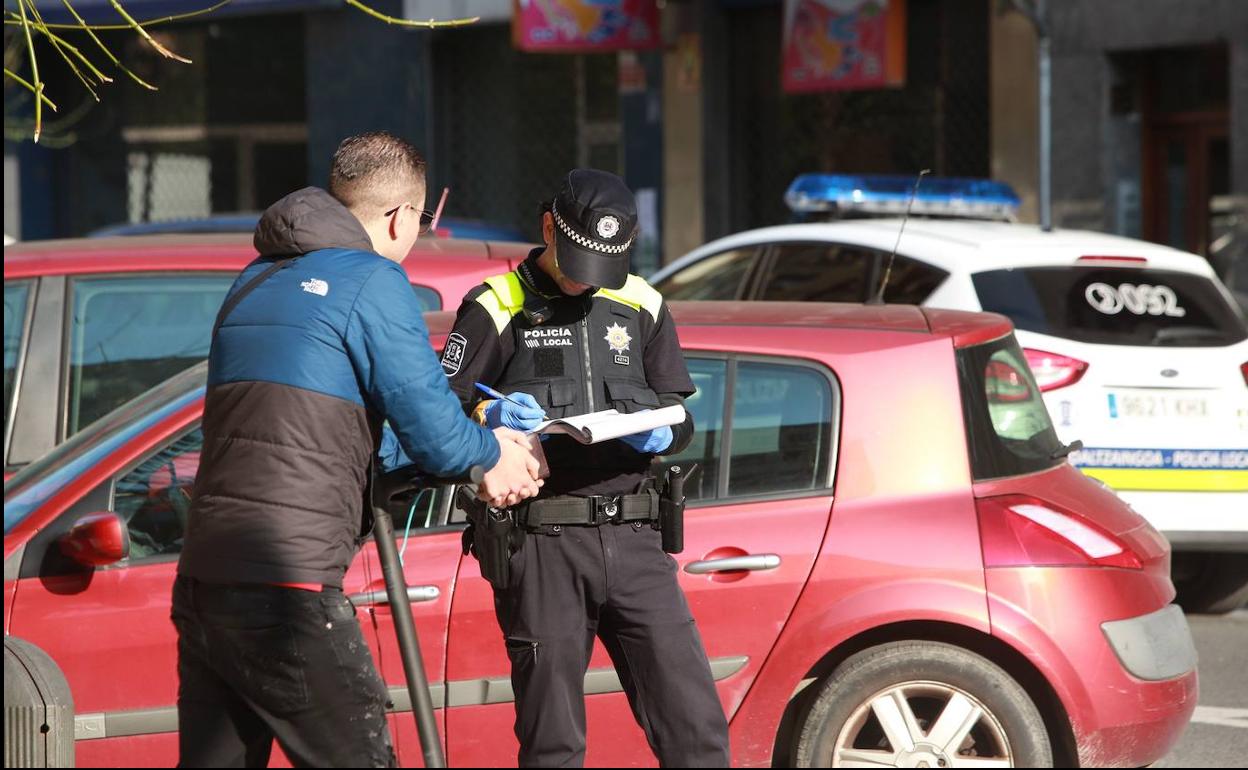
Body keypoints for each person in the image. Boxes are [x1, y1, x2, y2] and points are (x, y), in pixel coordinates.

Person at [172, 131, 542, 768]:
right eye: (422, 223)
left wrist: (466, 450)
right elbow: (431, 426)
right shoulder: (371, 279)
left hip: (205, 583)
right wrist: (492, 456)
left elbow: (324, 434)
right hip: (288, 587)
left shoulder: (253, 281)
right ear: (402, 216)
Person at [441, 168, 731, 767]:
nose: (584, 280)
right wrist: (490, 421)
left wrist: (661, 427)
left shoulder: (642, 302)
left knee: (696, 729)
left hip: (636, 539)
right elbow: (437, 412)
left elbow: (683, 420)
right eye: (574, 262)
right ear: (549, 228)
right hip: (543, 542)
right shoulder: (496, 306)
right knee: (554, 745)